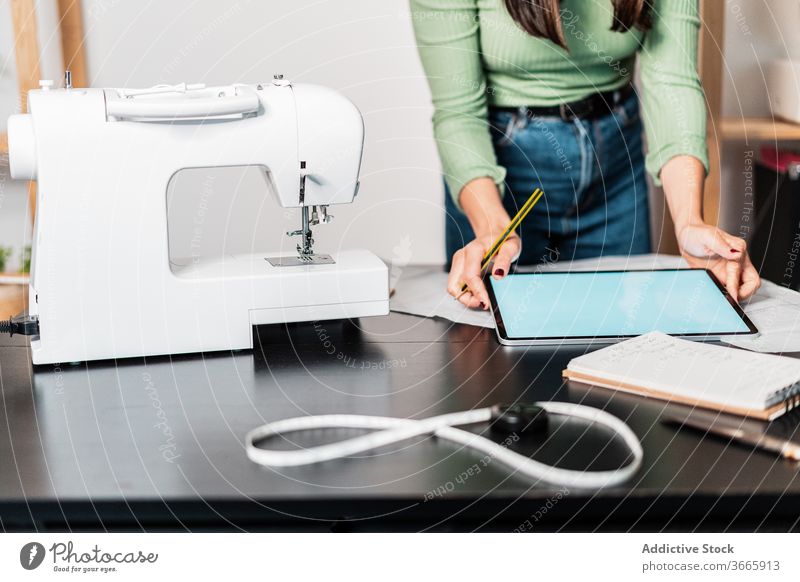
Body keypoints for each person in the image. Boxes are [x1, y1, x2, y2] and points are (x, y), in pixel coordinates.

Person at [410, 0, 760, 310]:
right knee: (491, 357)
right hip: (501, 162)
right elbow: (459, 114)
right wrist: (492, 227)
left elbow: (672, 81)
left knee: (622, 339)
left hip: (616, 157)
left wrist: (689, 223)